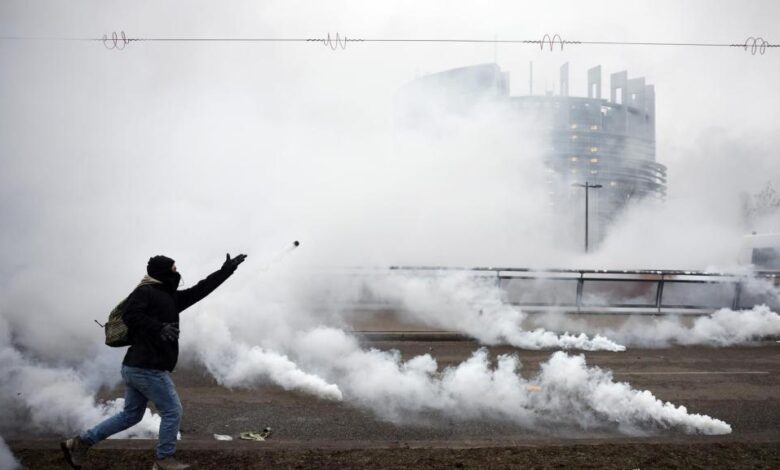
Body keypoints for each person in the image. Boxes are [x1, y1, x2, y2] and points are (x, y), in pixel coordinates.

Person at [61, 253, 247, 470]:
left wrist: (226, 270)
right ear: (163, 272)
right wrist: (159, 327)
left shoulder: (170, 297)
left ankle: (80, 443)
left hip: (137, 366)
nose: (177, 272)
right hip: (147, 367)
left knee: (131, 415)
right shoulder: (145, 292)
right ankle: (164, 460)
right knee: (172, 411)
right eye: (174, 269)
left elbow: (200, 289)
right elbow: (130, 316)